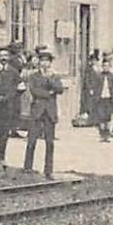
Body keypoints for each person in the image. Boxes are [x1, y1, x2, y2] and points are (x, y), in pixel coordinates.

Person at [23, 47, 68, 178]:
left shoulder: (54, 76)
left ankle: (48, 170)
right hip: (37, 110)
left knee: (50, 142)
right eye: (42, 61)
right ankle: (27, 167)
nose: (44, 63)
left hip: (50, 112)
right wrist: (48, 93)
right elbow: (34, 91)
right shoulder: (34, 76)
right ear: (39, 63)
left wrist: (50, 80)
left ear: (50, 63)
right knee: (32, 140)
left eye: (47, 61)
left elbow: (60, 89)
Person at [87, 50, 113, 142]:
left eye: (107, 66)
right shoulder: (98, 76)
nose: (105, 68)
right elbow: (95, 86)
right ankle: (102, 134)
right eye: (104, 66)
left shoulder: (112, 76)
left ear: (109, 67)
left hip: (109, 98)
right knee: (101, 117)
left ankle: (107, 134)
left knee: (108, 117)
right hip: (100, 98)